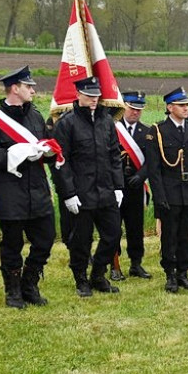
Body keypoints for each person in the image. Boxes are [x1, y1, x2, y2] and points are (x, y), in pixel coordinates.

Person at [0, 66, 55, 309]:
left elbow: (44, 149)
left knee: (45, 239)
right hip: (10, 192)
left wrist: (49, 152)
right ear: (14, 88)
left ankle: (29, 284)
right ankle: (13, 291)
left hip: (38, 190)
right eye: (28, 86)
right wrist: (17, 153)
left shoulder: (35, 116)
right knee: (12, 244)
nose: (33, 90)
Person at [51, 76, 124, 297]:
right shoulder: (67, 123)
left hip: (105, 191)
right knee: (80, 241)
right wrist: (68, 194)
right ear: (78, 95)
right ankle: (81, 279)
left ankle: (98, 275)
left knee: (113, 234)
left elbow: (114, 155)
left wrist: (118, 186)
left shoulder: (106, 121)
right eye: (89, 95)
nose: (94, 100)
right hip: (81, 194)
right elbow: (60, 162)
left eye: (96, 96)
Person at [147, 87, 188, 293]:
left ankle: (183, 272)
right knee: (169, 235)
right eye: (181, 105)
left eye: (187, 105)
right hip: (169, 191)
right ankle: (170, 274)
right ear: (170, 107)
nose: (186, 108)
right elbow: (154, 170)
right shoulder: (159, 131)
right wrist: (159, 196)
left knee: (185, 235)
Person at [111, 90, 153, 281]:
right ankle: (114, 263)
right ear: (124, 107)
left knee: (135, 227)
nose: (136, 112)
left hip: (136, 187)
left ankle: (136, 263)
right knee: (114, 227)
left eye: (139, 109)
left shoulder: (147, 132)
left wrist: (141, 175)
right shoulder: (112, 129)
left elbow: (152, 160)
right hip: (116, 187)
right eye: (132, 108)